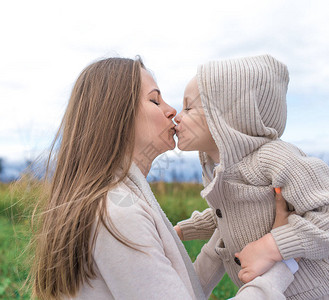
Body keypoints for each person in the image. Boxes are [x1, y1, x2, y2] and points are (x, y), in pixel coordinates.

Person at [30, 56, 296, 300]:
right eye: (155, 100)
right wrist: (282, 260)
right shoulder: (119, 213)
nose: (172, 112)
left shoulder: (121, 198)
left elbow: (175, 290)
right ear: (116, 116)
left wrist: (226, 229)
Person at [174, 54, 329, 300]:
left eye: (189, 107)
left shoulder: (273, 158)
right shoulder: (224, 171)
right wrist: (184, 229)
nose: (177, 116)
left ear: (230, 117)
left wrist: (272, 246)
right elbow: (229, 217)